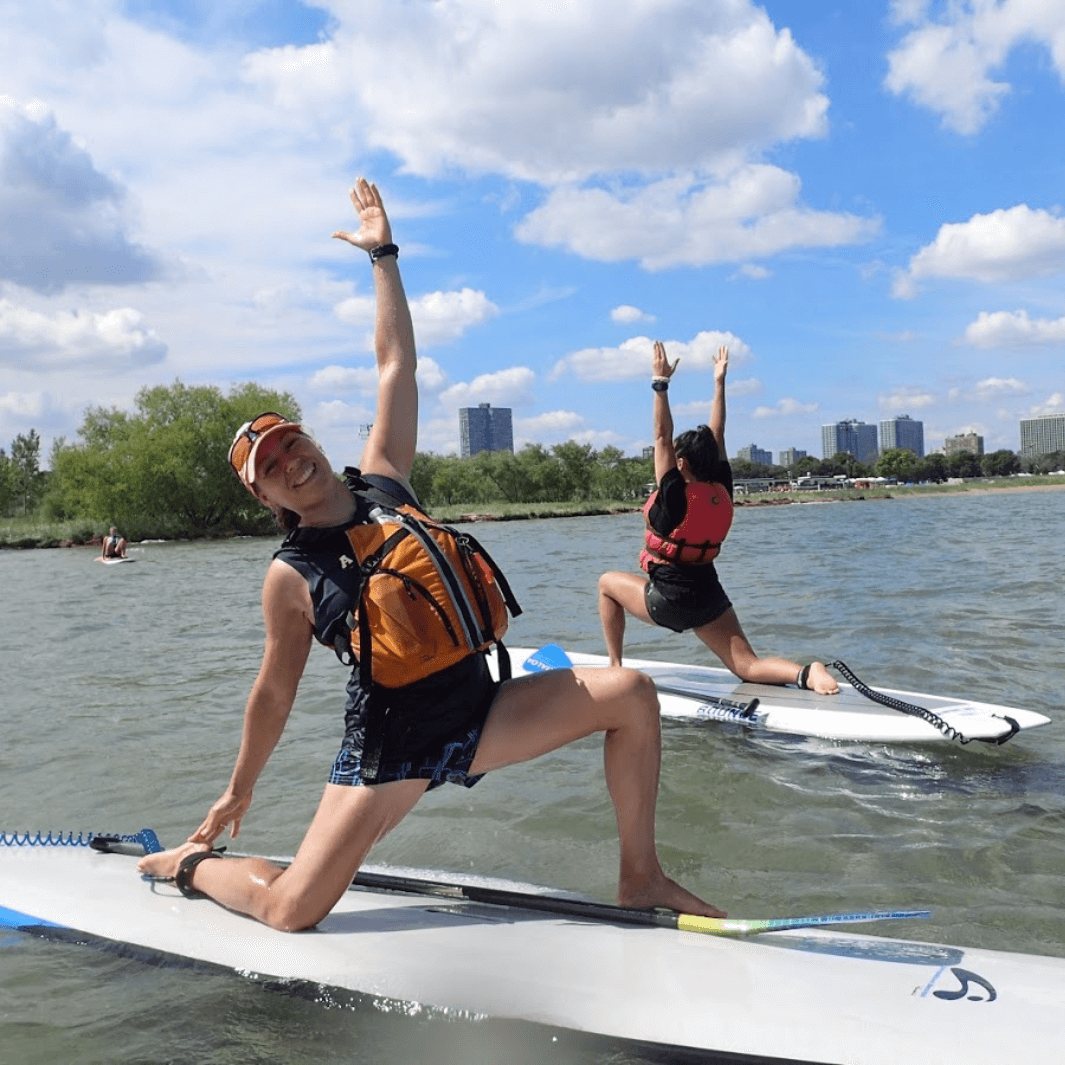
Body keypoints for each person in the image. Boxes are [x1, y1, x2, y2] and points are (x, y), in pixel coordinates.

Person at [137, 179, 725, 931]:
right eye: (272, 467)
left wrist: (382, 254)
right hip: (393, 745)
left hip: (478, 708)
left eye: (293, 442)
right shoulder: (290, 575)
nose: (291, 460)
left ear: (313, 441)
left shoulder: (384, 479)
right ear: (268, 500)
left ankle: (639, 876)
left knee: (632, 695)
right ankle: (189, 866)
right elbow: (272, 694)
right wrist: (237, 791)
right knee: (291, 911)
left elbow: (395, 365)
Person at [598, 341, 839, 696]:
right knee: (748, 666)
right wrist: (719, 382)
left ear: (681, 464)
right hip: (709, 597)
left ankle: (615, 667)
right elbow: (718, 434)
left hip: (668, 600)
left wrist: (659, 384)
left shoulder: (675, 495)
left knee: (606, 583)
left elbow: (661, 436)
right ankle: (808, 673)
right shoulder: (722, 489)